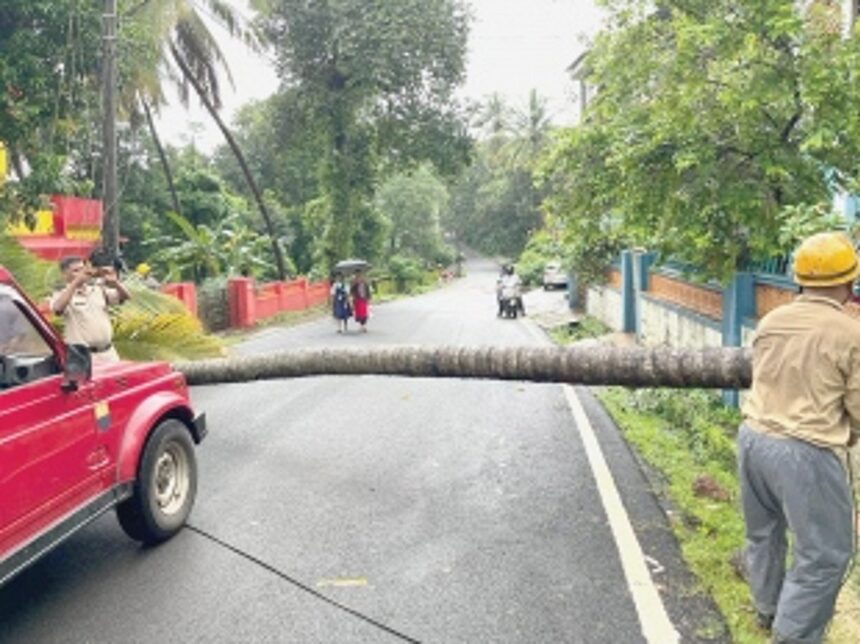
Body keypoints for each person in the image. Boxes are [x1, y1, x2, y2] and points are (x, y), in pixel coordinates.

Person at [738, 231, 860, 643]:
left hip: (753, 440)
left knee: (764, 534)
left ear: (798, 278)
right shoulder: (850, 333)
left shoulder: (772, 321)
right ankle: (792, 637)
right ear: (850, 281)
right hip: (805, 451)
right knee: (824, 555)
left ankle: (768, 610)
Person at [50, 255, 130, 363]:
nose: (82, 273)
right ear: (65, 274)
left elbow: (125, 297)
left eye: (83, 269)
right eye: (76, 271)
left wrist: (115, 283)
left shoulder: (97, 289)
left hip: (109, 353)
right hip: (84, 357)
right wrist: (75, 284)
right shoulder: (61, 294)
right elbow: (57, 309)